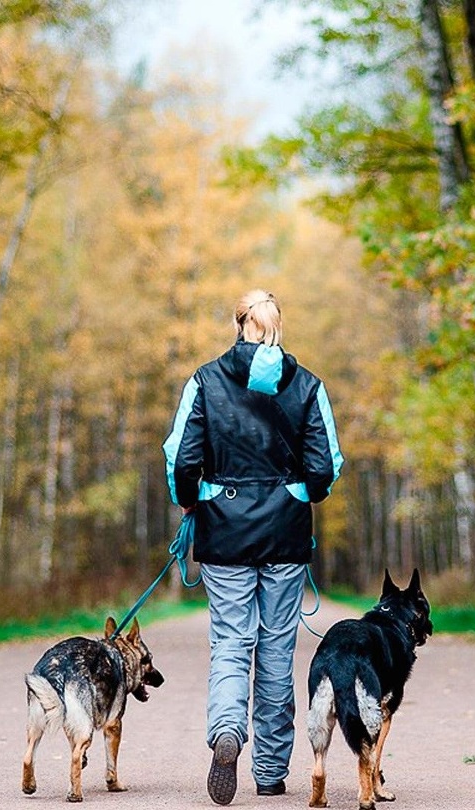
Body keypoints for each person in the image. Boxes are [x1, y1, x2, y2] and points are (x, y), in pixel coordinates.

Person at [163, 289, 344, 805]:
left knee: (230, 643)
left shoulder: (204, 380)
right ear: (278, 326)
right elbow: (324, 467)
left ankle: (226, 733)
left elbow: (182, 459)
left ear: (237, 324)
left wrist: (193, 503)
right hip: (285, 536)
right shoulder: (308, 385)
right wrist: (296, 496)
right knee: (277, 650)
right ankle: (269, 773)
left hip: (224, 535)